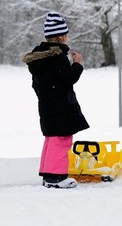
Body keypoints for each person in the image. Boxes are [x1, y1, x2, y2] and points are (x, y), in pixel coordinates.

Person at [22, 12, 89, 189]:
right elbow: (69, 79)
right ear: (61, 37)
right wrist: (77, 64)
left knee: (52, 139)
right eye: (66, 34)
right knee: (62, 140)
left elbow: (35, 85)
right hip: (61, 107)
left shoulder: (40, 59)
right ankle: (56, 177)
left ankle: (48, 174)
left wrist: (47, 96)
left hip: (47, 106)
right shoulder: (57, 57)